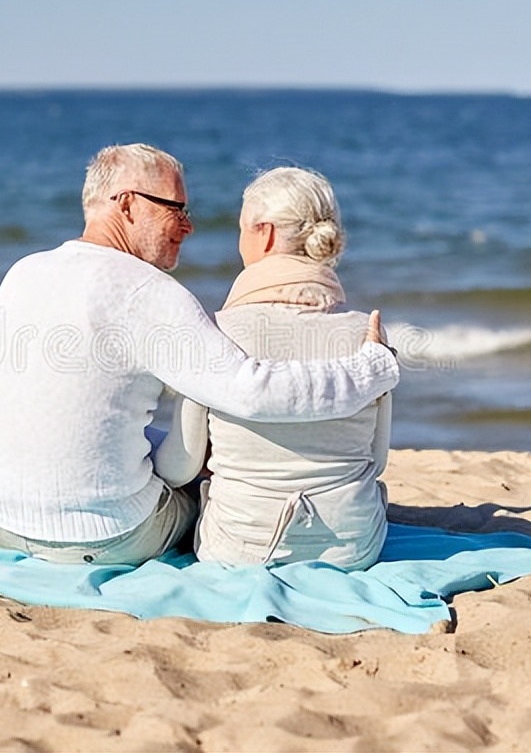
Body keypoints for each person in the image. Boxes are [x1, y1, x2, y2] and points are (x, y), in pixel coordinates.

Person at [0, 145, 399, 566]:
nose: (188, 227)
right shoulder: (148, 292)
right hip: (103, 535)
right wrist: (371, 369)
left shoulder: (24, 272)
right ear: (128, 204)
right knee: (201, 490)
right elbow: (251, 393)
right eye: (176, 209)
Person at [154, 167, 392, 570]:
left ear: (263, 233)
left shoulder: (217, 332)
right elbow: (377, 459)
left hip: (239, 550)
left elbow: (180, 467)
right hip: (355, 548)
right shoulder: (366, 333)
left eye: (242, 229)